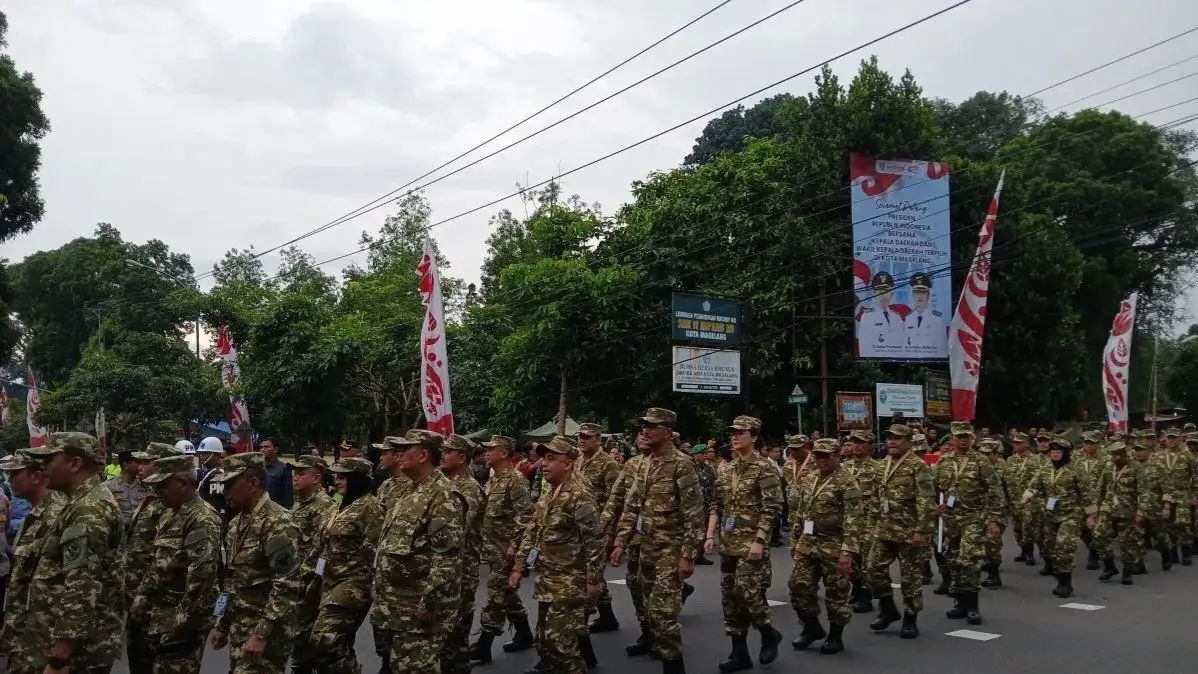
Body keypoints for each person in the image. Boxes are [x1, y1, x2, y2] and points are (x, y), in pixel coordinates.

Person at [611, 408, 705, 674]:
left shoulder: (682, 464)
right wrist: (620, 542)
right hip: (646, 548)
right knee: (650, 612)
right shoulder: (644, 463)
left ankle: (674, 667)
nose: (645, 430)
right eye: (644, 425)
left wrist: (687, 555)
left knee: (663, 615)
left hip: (671, 551)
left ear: (667, 432)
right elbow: (632, 506)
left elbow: (694, 513)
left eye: (652, 426)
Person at [26, 432, 124, 674]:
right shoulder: (79, 502)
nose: (43, 466)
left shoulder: (89, 510)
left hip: (79, 655)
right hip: (69, 646)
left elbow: (82, 586)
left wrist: (59, 658)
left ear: (75, 464)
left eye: (50, 459)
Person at [510, 436, 605, 673]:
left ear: (568, 464)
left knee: (561, 645)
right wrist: (519, 567)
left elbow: (594, 540)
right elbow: (533, 530)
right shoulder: (551, 491)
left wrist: (594, 579)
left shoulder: (579, 494)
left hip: (569, 582)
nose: (543, 464)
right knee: (544, 638)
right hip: (548, 579)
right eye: (544, 458)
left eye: (551, 459)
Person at [371, 430, 463, 674]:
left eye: (405, 449)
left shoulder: (443, 495)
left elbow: (446, 559)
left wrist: (429, 604)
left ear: (423, 455)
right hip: (396, 604)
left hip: (418, 608)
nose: (399, 454)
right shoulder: (410, 489)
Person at [209, 452, 301, 674]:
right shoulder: (236, 523)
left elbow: (286, 586)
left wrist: (261, 635)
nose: (224, 492)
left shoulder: (278, 523)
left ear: (253, 483)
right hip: (241, 629)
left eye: (229, 485)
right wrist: (223, 624)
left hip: (267, 635)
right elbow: (232, 579)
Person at [704, 415, 783, 671]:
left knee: (748, 592)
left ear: (755, 437)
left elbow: (772, 506)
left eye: (741, 432)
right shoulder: (726, 468)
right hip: (729, 543)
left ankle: (768, 632)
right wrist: (709, 535)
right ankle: (739, 653)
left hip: (751, 543)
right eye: (733, 432)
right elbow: (717, 504)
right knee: (730, 598)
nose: (735, 436)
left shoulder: (764, 467)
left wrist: (760, 540)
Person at [132, 455, 222, 674]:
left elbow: (201, 582)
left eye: (162, 485)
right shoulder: (171, 513)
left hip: (182, 625)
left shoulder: (201, 519)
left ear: (182, 483)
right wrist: (142, 597)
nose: (157, 491)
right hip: (161, 616)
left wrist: (177, 624)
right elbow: (159, 561)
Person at [788, 438, 864, 655]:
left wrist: (847, 552)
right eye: (818, 456)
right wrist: (794, 540)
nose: (821, 460)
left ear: (837, 456)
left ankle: (835, 636)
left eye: (826, 456)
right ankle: (811, 627)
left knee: (836, 592)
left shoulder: (847, 482)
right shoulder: (810, 478)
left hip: (834, 544)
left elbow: (854, 520)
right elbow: (801, 512)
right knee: (798, 585)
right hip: (808, 542)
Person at [309, 457, 384, 674]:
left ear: (357, 479)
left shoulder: (370, 507)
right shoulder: (340, 504)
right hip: (329, 580)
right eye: (336, 477)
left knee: (324, 638)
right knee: (339, 643)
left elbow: (377, 551)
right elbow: (325, 545)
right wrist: (313, 576)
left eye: (343, 477)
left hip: (354, 583)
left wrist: (375, 588)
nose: (337, 481)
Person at [865, 423, 936, 639]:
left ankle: (910, 618)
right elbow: (876, 498)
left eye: (896, 438)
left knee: (910, 578)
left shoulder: (918, 466)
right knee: (873, 569)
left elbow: (926, 500)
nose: (891, 442)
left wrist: (922, 530)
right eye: (889, 438)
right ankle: (888, 609)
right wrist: (871, 525)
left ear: (908, 442)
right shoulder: (881, 465)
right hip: (885, 529)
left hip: (909, 532)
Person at [469, 435, 534, 663]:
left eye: (491, 449)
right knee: (507, 593)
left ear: (504, 453)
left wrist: (515, 547)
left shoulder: (516, 480)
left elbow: (525, 517)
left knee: (496, 596)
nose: (486, 452)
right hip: (492, 548)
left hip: (506, 550)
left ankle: (484, 644)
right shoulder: (493, 479)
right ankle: (525, 634)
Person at [0, 450, 66, 674]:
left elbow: (68, 587)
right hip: (26, 637)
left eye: (15, 474)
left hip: (43, 640)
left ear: (36, 476)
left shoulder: (57, 515)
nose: (10, 481)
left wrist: (59, 657)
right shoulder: (37, 513)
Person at [935, 423, 1004, 626]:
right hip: (951, 519)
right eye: (959, 436)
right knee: (953, 559)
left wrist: (994, 519)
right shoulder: (943, 461)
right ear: (952, 439)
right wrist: (935, 504)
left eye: (967, 436)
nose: (963, 439)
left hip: (974, 517)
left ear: (972, 438)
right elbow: (934, 486)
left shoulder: (981, 461)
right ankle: (960, 603)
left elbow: (995, 490)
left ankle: (973, 606)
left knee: (969, 559)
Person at [123, 442, 183, 674]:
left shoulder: (173, 506)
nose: (139, 466)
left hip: (158, 602)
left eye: (146, 462)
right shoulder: (150, 500)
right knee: (138, 662)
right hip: (137, 598)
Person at [599, 428, 653, 657]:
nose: (642, 437)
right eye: (639, 434)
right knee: (634, 582)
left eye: (647, 433)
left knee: (658, 587)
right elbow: (617, 498)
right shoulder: (632, 464)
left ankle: (664, 633)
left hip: (664, 539)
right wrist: (603, 529)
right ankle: (647, 629)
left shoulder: (676, 463)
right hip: (635, 535)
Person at [1022, 437, 1095, 598]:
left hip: (1071, 514)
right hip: (1051, 513)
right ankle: (1058, 571)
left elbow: (1087, 494)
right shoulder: (1045, 468)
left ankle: (1065, 584)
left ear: (1066, 453)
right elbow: (1034, 485)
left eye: (1059, 451)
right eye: (1053, 451)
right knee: (1049, 547)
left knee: (1064, 547)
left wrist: (1091, 515)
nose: (1055, 453)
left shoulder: (1076, 469)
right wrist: (1028, 494)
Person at [438, 435, 486, 674]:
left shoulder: (469, 489)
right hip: (445, 567)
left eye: (448, 452)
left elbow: (456, 529)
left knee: (456, 631)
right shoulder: (444, 484)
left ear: (462, 458)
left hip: (462, 569)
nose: (442, 456)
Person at [572, 422, 623, 633]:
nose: (582, 440)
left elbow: (616, 499)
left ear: (599, 440)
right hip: (580, 527)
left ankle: (578, 628)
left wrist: (611, 532)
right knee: (593, 573)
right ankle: (608, 618)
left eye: (587, 437)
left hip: (600, 528)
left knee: (589, 574)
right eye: (580, 437)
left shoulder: (608, 464)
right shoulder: (577, 461)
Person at [289, 455, 337, 674]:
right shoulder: (299, 503)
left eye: (301, 473)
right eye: (295, 473)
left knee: (313, 642)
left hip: (312, 584)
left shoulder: (325, 506)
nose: (295, 477)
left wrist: (309, 580)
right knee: (300, 641)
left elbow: (322, 549)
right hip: (296, 580)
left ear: (316, 478)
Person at [1090, 441, 1151, 585]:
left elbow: (1144, 492)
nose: (1117, 458)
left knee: (1127, 543)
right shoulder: (1108, 467)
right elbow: (1100, 490)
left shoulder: (1136, 468)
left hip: (1127, 511)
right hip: (1108, 509)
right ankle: (1109, 566)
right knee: (1098, 535)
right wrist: (1093, 512)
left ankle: (1127, 572)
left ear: (1125, 454)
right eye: (1114, 455)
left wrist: (1141, 512)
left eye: (1119, 455)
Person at [841, 430, 877, 614]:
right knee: (851, 561)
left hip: (867, 520)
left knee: (866, 561)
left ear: (870, 445)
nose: (856, 445)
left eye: (861, 442)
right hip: (847, 521)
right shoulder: (844, 467)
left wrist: (876, 524)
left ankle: (866, 596)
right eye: (854, 442)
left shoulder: (877, 468)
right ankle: (856, 588)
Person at [1151, 427, 1195, 565]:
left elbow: (1195, 476)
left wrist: (1195, 495)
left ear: (1180, 439)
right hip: (1165, 496)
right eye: (1169, 438)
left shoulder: (1188, 456)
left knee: (1183, 523)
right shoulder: (1158, 456)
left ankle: (1186, 552)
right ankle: (1173, 552)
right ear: (1165, 439)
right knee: (1168, 525)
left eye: (1174, 438)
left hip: (1182, 494)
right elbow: (1154, 477)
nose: (1172, 440)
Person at [1004, 432, 1040, 566]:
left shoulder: (1035, 459)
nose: (1015, 445)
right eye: (1014, 443)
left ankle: (1030, 553)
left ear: (1026, 444)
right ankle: (1023, 550)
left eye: (1019, 443)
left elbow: (1038, 479)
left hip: (1029, 499)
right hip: (1014, 499)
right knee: (1017, 527)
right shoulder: (1010, 460)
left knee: (1028, 526)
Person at [1075, 430, 1108, 570]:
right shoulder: (1078, 460)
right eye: (1086, 443)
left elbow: (1109, 482)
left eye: (1092, 443)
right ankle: (1093, 547)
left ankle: (1095, 555)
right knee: (1083, 528)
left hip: (1098, 500)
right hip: (1082, 500)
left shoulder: (1105, 460)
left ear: (1098, 444)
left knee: (1096, 528)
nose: (1088, 446)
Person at [858, 271, 903, 355]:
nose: (883, 296)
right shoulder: (867, 317)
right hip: (876, 362)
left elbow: (903, 345)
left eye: (886, 291)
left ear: (891, 294)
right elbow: (864, 348)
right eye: (880, 292)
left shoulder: (897, 317)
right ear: (874, 294)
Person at [103, 449, 149, 529]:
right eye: (137, 462)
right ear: (126, 464)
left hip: (140, 531)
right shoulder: (108, 486)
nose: (141, 466)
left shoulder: (146, 485)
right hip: (119, 531)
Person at [902, 272, 945, 353]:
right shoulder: (906, 318)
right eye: (917, 292)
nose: (920, 296)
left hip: (930, 358)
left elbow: (942, 346)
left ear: (928, 295)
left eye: (923, 292)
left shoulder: (937, 319)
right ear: (913, 294)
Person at [692, 443, 717, 566]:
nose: (705, 456)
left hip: (707, 503)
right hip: (695, 505)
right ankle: (691, 555)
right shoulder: (690, 467)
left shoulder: (709, 468)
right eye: (702, 454)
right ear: (696, 455)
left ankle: (700, 555)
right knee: (695, 530)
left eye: (706, 453)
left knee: (705, 529)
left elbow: (714, 482)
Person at [196, 437, 228, 518]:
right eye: (201, 453)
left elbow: (218, 501)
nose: (201, 456)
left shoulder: (218, 474)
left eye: (206, 453)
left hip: (212, 517)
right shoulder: (208, 471)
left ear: (217, 455)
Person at [258, 438, 294, 508]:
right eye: (261, 447)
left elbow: (288, 497)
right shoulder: (258, 468)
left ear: (276, 449)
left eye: (266, 447)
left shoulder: (284, 468)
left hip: (275, 511)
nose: (263, 450)